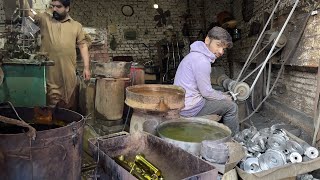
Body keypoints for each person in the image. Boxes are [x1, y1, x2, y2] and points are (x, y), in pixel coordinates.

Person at [22, 0, 91, 109]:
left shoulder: (76, 26)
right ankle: (52, 123)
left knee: (69, 100)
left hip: (68, 70)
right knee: (51, 101)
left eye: (58, 7)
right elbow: (27, 12)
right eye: (53, 6)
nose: (54, 9)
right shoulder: (45, 19)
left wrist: (86, 68)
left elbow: (83, 45)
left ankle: (66, 123)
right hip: (50, 71)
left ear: (67, 8)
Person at [174, 26, 239, 135]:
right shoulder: (202, 61)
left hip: (183, 102)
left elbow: (204, 90)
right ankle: (234, 140)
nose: (221, 51)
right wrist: (224, 97)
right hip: (190, 108)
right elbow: (206, 93)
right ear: (207, 40)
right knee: (232, 107)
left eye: (224, 49)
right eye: (218, 45)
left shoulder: (194, 55)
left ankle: (218, 133)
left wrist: (219, 94)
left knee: (219, 93)